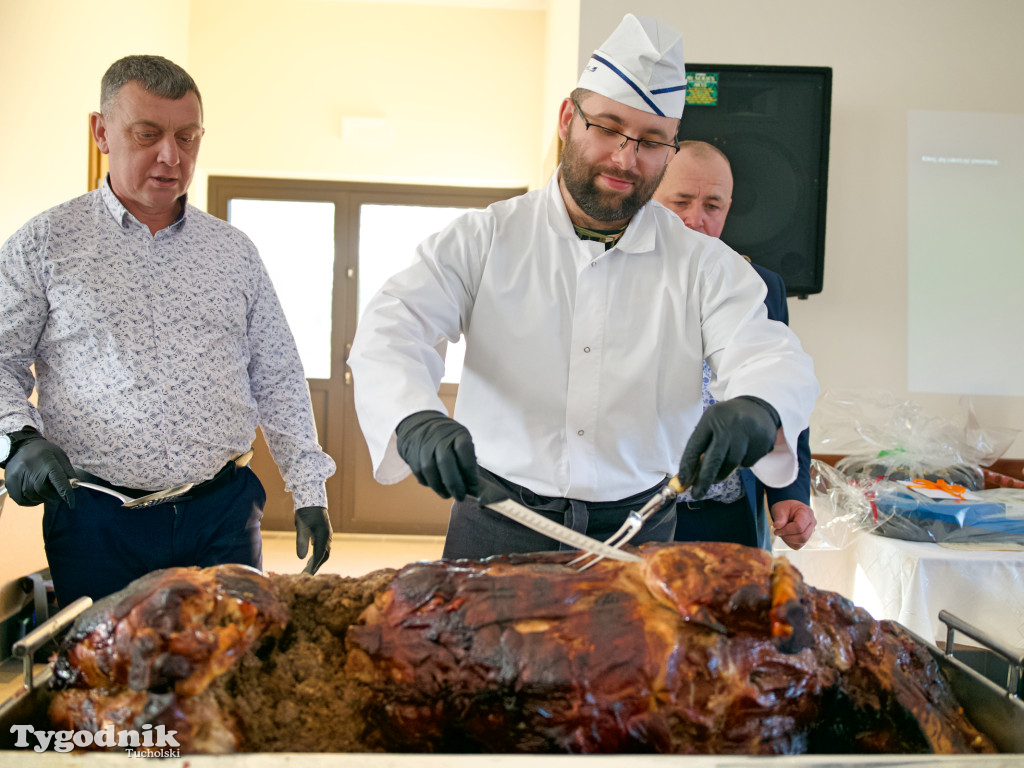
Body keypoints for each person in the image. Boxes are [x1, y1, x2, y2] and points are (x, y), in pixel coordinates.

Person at [347, 14, 819, 560]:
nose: (625, 158)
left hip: (640, 533)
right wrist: (413, 416)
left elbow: (769, 352)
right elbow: (393, 324)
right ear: (569, 117)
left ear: (669, 152)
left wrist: (760, 405)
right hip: (498, 521)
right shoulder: (485, 237)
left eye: (650, 142)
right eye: (609, 128)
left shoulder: (704, 266)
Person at [0, 55, 335, 605]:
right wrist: (17, 438)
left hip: (222, 515)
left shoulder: (234, 253)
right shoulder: (46, 243)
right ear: (101, 131)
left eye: (188, 136)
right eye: (148, 134)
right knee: (112, 680)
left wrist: (308, 487)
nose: (170, 156)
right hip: (96, 522)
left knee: (225, 676)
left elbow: (276, 375)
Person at [653, 140, 816, 550]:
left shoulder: (762, 285)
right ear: (650, 198)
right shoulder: (615, 274)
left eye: (712, 205)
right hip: (641, 516)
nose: (696, 220)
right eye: (681, 202)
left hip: (730, 517)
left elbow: (781, 390)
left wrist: (790, 494)